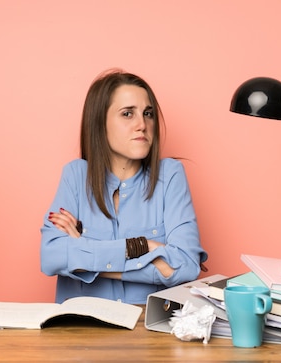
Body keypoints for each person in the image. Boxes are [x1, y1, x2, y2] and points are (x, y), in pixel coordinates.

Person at [40, 69, 208, 304]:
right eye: (127, 114)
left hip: (148, 334)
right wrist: (142, 247)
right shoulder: (75, 176)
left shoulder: (170, 176)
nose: (142, 124)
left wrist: (83, 255)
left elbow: (186, 266)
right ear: (100, 123)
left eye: (148, 113)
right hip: (82, 330)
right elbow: (52, 258)